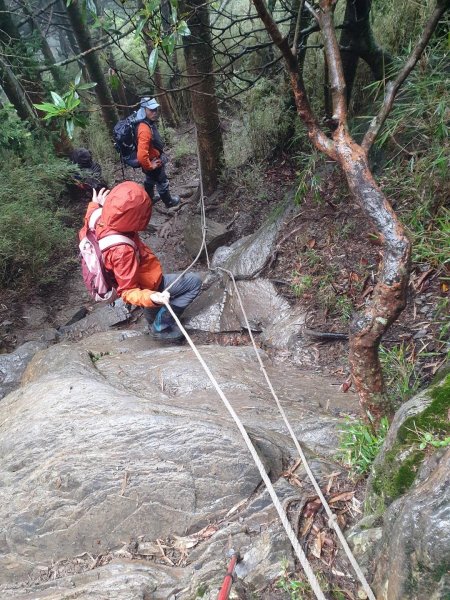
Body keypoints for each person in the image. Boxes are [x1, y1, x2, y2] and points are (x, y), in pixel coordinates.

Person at [80, 181, 201, 342]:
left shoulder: (98, 217)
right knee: (194, 283)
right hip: (148, 285)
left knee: (151, 300)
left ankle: (152, 315)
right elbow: (128, 291)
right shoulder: (122, 251)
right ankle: (161, 326)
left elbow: (90, 216)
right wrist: (152, 297)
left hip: (141, 280)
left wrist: (95, 204)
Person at [135, 97, 180, 209]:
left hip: (150, 160)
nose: (154, 112)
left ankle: (150, 199)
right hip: (152, 161)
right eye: (151, 110)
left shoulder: (145, 122)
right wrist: (150, 166)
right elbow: (141, 155)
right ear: (144, 110)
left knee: (149, 180)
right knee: (162, 181)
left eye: (156, 109)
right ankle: (169, 202)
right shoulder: (144, 129)